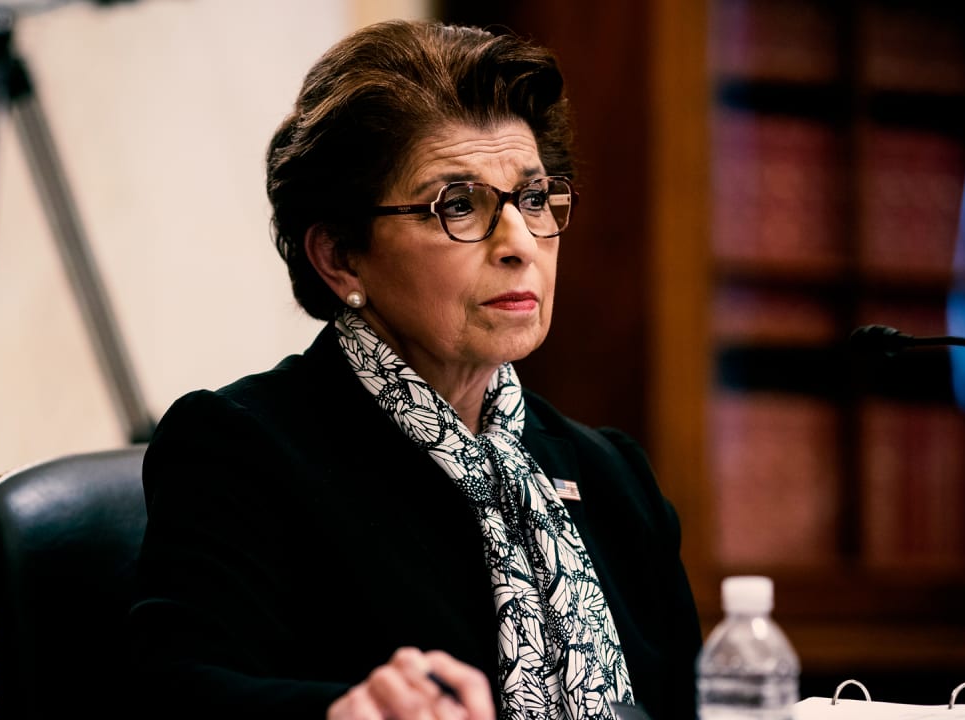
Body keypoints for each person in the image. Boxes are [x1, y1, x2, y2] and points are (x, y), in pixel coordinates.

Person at [128, 19, 701, 720]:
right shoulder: (240, 450)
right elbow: (173, 695)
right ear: (340, 257)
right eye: (457, 205)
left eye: (532, 198)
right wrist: (345, 712)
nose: (520, 243)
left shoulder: (613, 477)